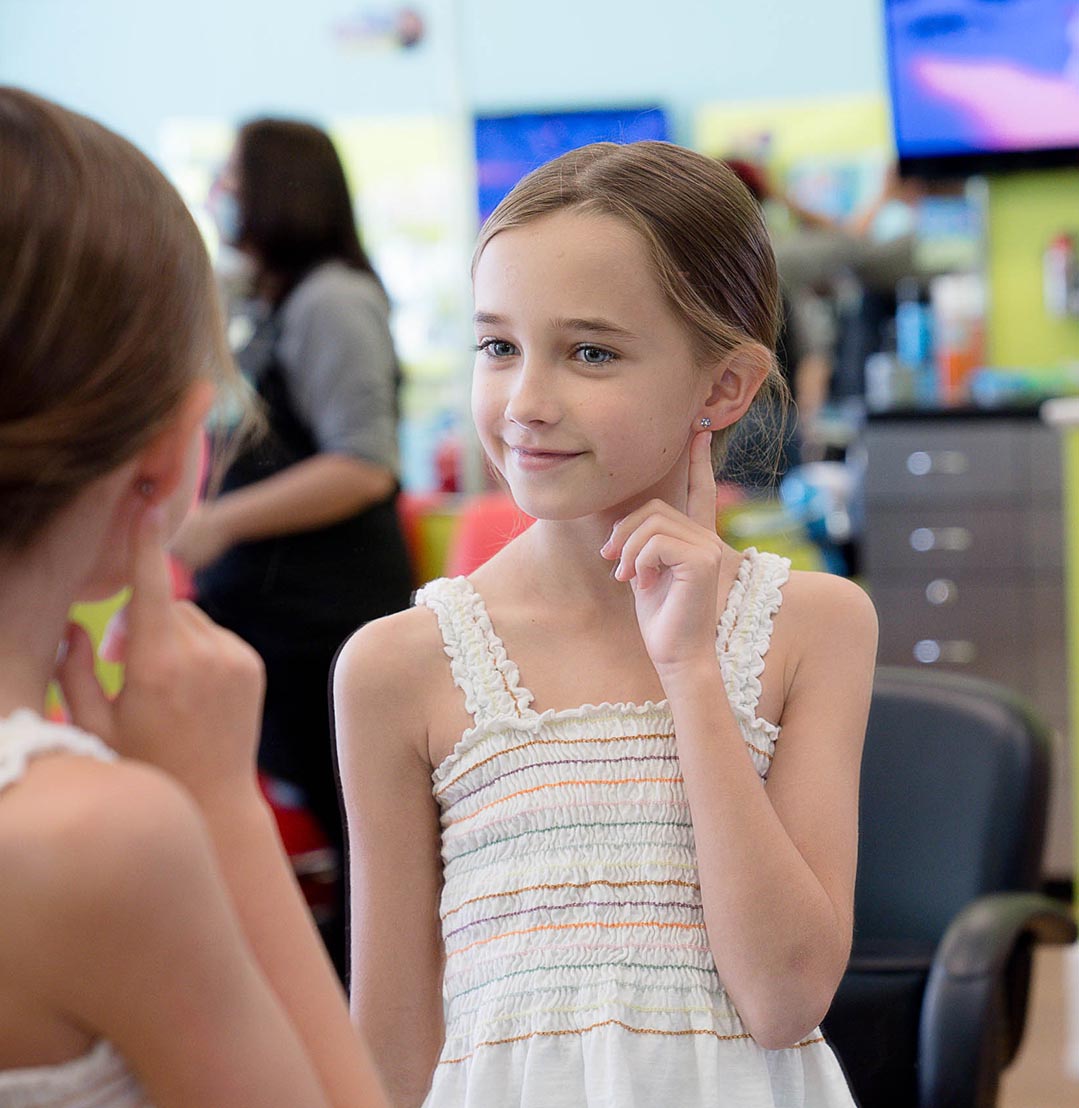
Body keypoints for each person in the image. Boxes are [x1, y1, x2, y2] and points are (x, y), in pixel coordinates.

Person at [335, 141, 879, 1106]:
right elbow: (391, 1042)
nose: (526, 404)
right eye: (498, 346)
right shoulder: (397, 667)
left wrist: (693, 675)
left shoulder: (816, 626)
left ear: (723, 387)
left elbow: (784, 997)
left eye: (590, 352)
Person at [0, 87, 387, 1108]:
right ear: (175, 451)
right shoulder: (96, 842)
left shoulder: (326, 299)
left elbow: (365, 459)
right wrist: (217, 805)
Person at [172, 118, 414, 977]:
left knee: (360, 832)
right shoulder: (268, 302)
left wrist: (221, 522)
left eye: (232, 178)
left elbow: (363, 464)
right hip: (271, 613)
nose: (217, 195)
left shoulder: (333, 301)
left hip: (326, 616)